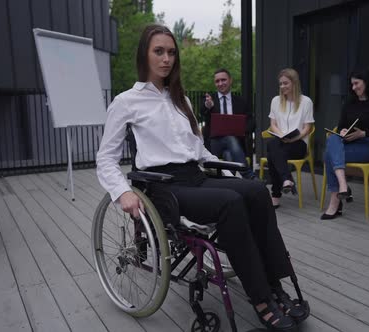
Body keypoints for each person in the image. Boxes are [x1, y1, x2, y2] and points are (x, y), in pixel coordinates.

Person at [96, 24, 307, 331]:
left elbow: (199, 150)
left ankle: (275, 284)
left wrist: (230, 168)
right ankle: (260, 298)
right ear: (144, 55)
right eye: (158, 51)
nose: (166, 58)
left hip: (195, 175)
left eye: (171, 52)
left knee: (257, 191)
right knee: (231, 202)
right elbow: (106, 158)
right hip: (162, 186)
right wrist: (121, 192)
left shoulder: (181, 101)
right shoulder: (126, 101)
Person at [321, 67, 369, 220]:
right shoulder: (350, 102)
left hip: (367, 146)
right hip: (349, 143)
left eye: (357, 83)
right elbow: (340, 126)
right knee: (333, 138)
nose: (354, 87)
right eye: (352, 84)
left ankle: (335, 202)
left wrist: (363, 133)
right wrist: (343, 131)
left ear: (367, 82)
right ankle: (343, 186)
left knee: (328, 155)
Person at [266, 68, 315, 208]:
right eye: (280, 84)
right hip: (281, 142)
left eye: (285, 83)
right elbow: (273, 124)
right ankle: (287, 180)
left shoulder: (306, 102)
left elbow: (307, 128)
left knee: (272, 149)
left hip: (298, 144)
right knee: (273, 146)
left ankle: (276, 194)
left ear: (294, 83)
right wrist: (281, 135)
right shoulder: (276, 101)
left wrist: (293, 139)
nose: (282, 87)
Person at [200, 68, 257, 179]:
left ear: (230, 80)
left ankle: (229, 183)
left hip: (236, 145)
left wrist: (241, 130)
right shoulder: (209, 100)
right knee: (229, 138)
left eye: (223, 80)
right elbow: (202, 113)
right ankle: (249, 175)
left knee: (229, 155)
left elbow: (251, 122)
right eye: (217, 81)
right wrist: (208, 107)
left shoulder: (241, 101)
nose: (220, 83)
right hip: (214, 144)